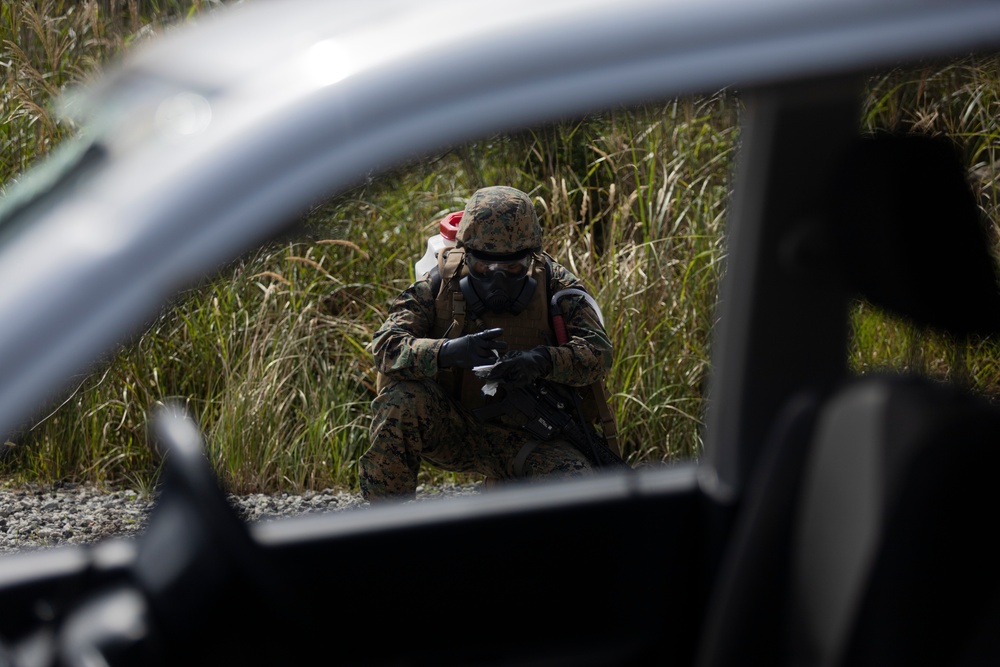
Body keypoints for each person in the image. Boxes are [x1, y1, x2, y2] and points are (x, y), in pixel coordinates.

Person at [360, 185, 614, 501]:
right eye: (482, 268)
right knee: (401, 400)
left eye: (513, 269)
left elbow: (599, 353)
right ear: (465, 254)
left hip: (530, 439)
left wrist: (543, 360)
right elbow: (385, 346)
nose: (497, 281)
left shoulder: (557, 286)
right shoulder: (439, 282)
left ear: (532, 258)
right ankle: (385, 533)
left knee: (577, 483)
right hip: (452, 427)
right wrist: (446, 352)